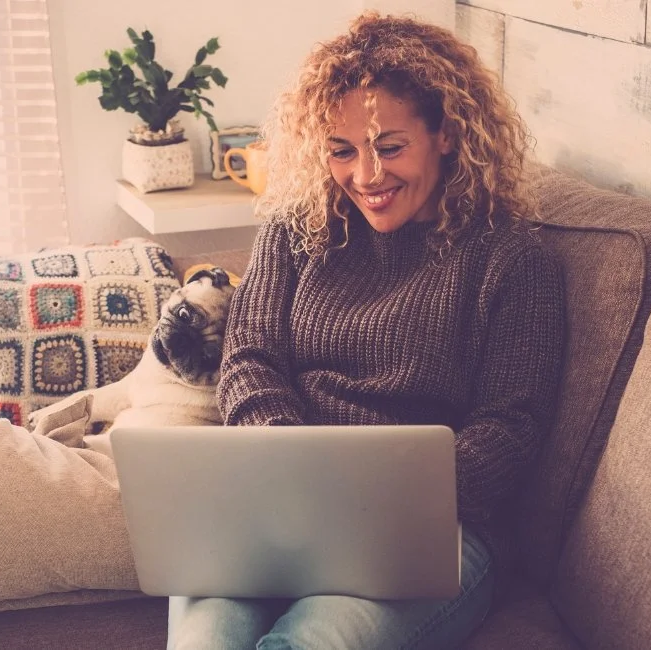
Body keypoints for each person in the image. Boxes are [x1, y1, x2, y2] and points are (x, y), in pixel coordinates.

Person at [168, 11, 565, 650]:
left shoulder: (512, 257)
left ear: (445, 133)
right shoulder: (294, 229)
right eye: (342, 150)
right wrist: (295, 471)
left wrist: (376, 504)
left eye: (389, 146)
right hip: (280, 506)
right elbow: (250, 360)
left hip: (434, 532)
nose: (366, 177)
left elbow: (509, 429)